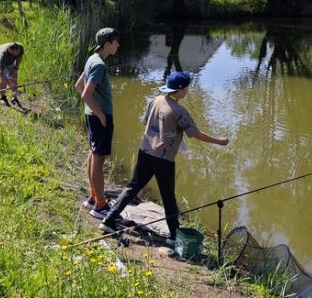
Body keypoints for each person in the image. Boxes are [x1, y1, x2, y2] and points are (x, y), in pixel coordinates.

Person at [98, 71, 229, 245]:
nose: (188, 90)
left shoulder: (156, 100)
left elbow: (145, 122)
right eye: (187, 88)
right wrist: (219, 141)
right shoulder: (179, 111)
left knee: (133, 186)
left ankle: (108, 219)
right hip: (163, 159)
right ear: (180, 90)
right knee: (168, 197)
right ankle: (174, 236)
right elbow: (195, 134)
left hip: (145, 150)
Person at [75, 27, 120, 219]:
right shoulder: (99, 65)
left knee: (93, 154)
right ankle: (100, 206)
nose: (118, 45)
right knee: (99, 160)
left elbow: (78, 85)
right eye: (116, 42)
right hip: (100, 117)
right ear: (108, 43)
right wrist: (101, 115)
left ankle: (94, 198)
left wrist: (92, 111)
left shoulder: (92, 59)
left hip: (92, 115)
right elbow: (86, 94)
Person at [0, 41, 24, 108]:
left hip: (10, 61)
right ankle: (3, 97)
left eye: (17, 53)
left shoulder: (20, 47)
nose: (16, 54)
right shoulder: (3, 55)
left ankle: (14, 97)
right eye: (13, 53)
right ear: (10, 50)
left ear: (17, 50)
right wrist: (4, 77)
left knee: (14, 77)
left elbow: (19, 57)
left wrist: (16, 68)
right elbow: (1, 72)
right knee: (4, 80)